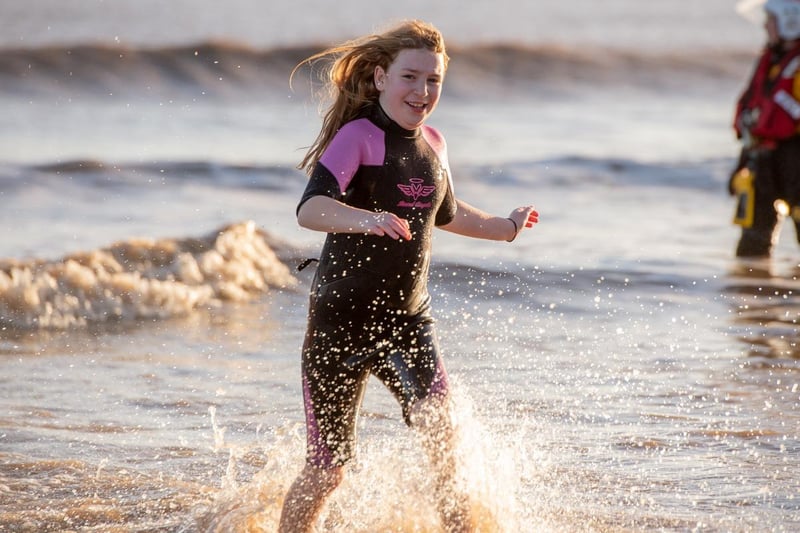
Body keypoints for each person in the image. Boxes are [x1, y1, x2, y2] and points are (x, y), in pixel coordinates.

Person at [279, 20, 538, 533]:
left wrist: (506, 227)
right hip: (339, 324)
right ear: (379, 78)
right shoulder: (359, 136)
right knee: (328, 469)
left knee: (444, 438)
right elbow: (310, 210)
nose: (422, 92)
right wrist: (368, 219)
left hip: (407, 321)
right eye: (410, 77)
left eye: (434, 81)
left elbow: (446, 213)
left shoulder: (435, 144)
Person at [730, 0, 800, 257]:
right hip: (762, 157)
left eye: (770, 19)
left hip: (794, 157)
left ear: (790, 22)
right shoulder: (770, 60)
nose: (765, 25)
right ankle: (751, 286)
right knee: (752, 240)